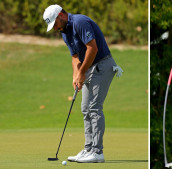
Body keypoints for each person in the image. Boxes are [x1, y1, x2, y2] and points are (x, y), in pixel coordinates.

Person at [43, 4, 123, 163]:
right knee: (85, 109)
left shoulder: (80, 22)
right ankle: (88, 149)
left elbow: (92, 49)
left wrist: (82, 72)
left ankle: (97, 152)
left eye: (55, 23)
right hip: (90, 67)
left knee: (94, 108)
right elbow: (75, 56)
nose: (55, 28)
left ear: (61, 15)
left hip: (102, 65)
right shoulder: (64, 32)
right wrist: (76, 74)